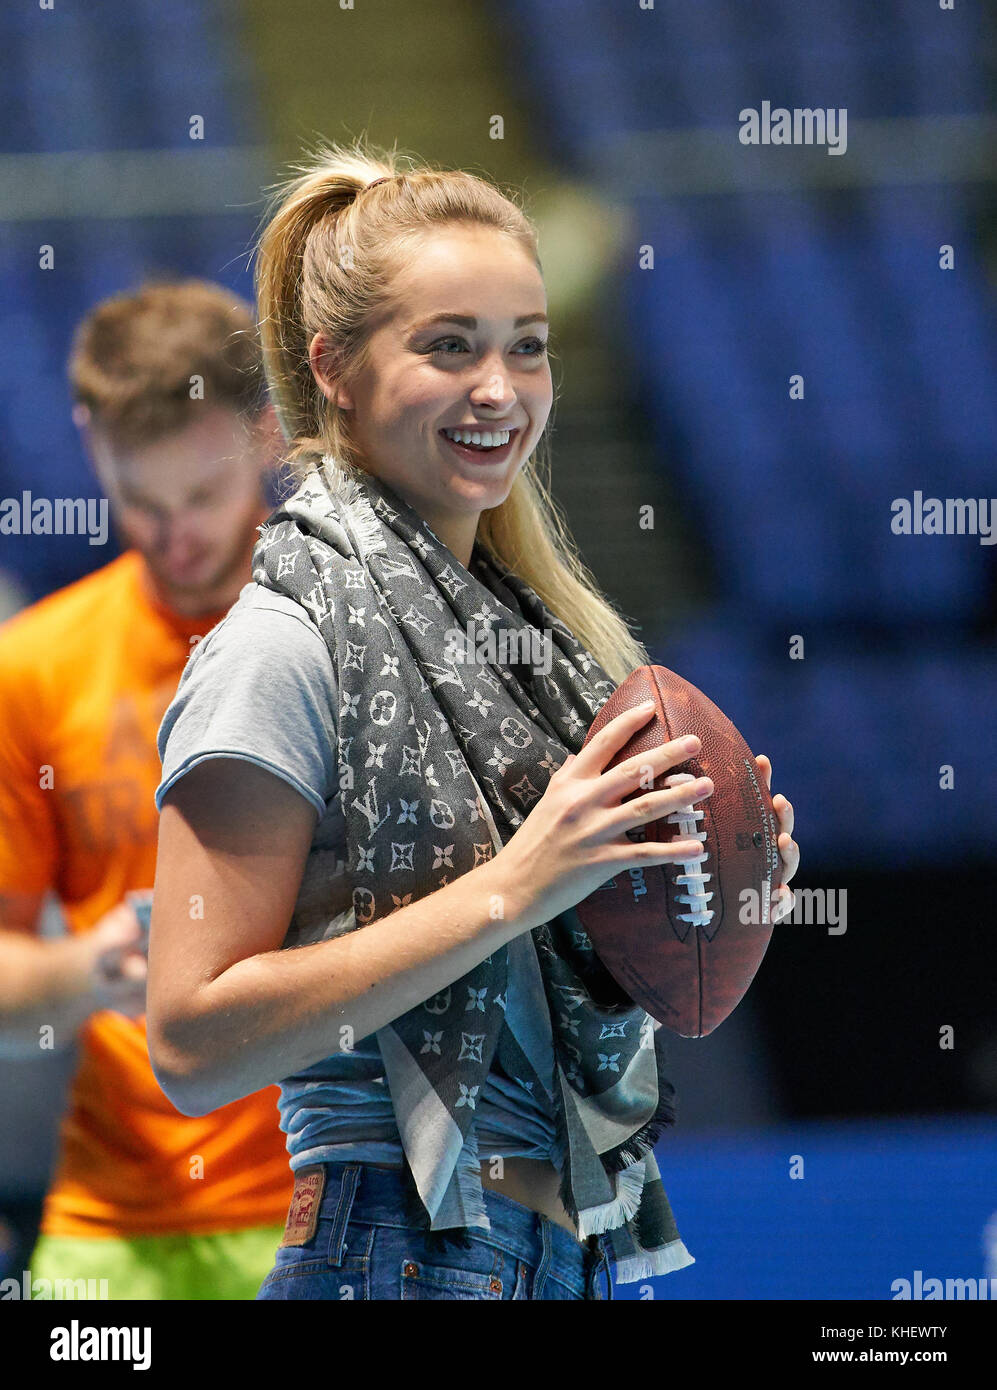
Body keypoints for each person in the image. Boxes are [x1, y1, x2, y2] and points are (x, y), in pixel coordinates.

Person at [147, 143, 799, 1301]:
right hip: (391, 1249)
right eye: (448, 346)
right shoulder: (277, 645)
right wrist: (524, 881)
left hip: (568, 1255)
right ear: (334, 369)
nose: (499, 388)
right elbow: (191, 1045)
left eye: (527, 347)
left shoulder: (531, 651)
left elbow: (559, 956)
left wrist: (699, 881)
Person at [0, 279, 295, 1300]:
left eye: (204, 496)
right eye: (143, 500)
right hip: (116, 1229)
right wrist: (90, 964)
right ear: (91, 444)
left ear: (267, 432)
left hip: (345, 1197)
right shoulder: (34, 667)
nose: (176, 536)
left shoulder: (356, 637)